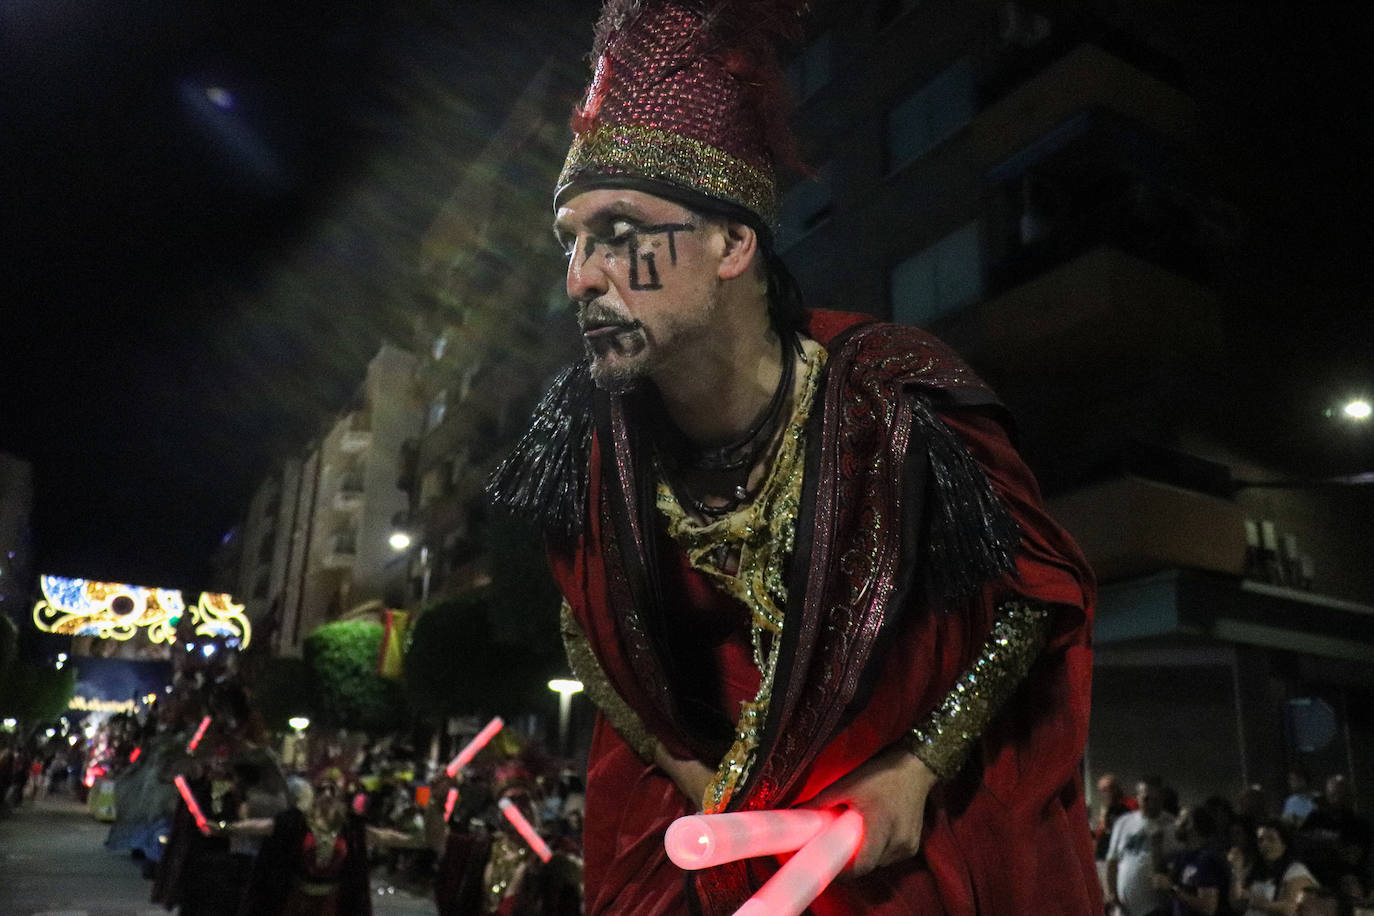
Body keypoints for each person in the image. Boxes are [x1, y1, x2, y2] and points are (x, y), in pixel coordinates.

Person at [485, 0, 1098, 912]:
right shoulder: (587, 439)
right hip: (705, 849)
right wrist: (689, 772)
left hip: (886, 853)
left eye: (618, 233)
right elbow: (587, 626)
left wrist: (918, 768)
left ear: (733, 242)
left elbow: (1022, 607)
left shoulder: (897, 402)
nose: (579, 276)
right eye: (570, 241)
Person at [1107, 779, 1181, 915]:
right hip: (1125, 907)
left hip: (1154, 907)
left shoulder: (1172, 825)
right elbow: (1112, 861)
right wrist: (1112, 893)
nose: (1151, 804)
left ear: (1162, 799)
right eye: (1146, 798)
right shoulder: (1124, 822)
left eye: (1155, 799)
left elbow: (1175, 867)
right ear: (1138, 797)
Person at [1229, 819, 1318, 916]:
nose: (1265, 844)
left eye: (1271, 840)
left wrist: (1253, 901)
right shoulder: (1255, 869)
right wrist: (1236, 870)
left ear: (1284, 845)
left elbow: (1291, 909)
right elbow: (1236, 905)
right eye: (1261, 840)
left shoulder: (1296, 871)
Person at [1155, 806, 1232, 916]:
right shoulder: (1184, 856)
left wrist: (1172, 889)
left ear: (1190, 825)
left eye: (1180, 819)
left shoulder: (1208, 859)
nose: (1175, 824)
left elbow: (1208, 908)